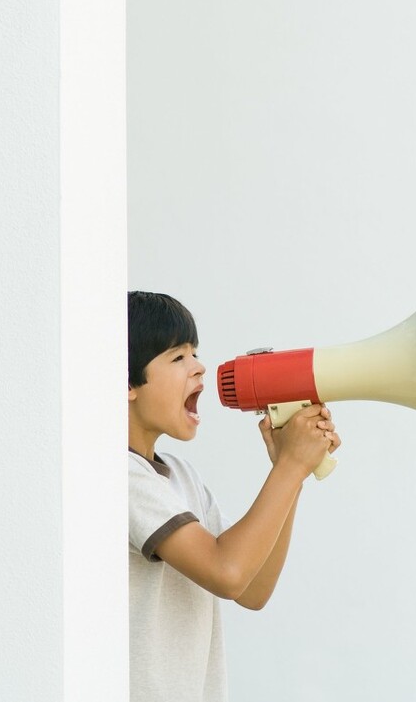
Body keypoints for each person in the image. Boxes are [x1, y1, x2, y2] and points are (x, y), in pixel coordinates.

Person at [127, 291, 339, 702]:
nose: (200, 366)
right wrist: (290, 467)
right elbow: (227, 572)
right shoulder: (121, 476)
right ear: (127, 383)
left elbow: (253, 587)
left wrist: (287, 473)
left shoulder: (182, 475)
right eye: (178, 357)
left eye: (195, 353)